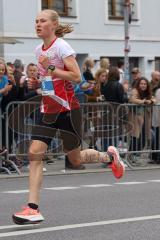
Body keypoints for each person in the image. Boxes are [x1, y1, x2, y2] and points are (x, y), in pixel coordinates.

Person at [12, 9, 125, 225]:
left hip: (68, 110)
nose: (37, 24)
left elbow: (75, 76)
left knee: (76, 159)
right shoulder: (38, 49)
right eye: (36, 21)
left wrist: (50, 67)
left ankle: (110, 157)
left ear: (53, 25)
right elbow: (49, 78)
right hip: (48, 109)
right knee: (34, 153)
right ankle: (32, 208)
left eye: (42, 21)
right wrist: (38, 84)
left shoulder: (61, 46)